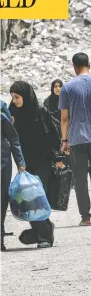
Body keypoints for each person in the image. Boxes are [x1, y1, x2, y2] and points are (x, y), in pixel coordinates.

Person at [9, 81, 65, 248]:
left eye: (17, 97)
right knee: (27, 198)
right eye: (12, 97)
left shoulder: (40, 112)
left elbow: (54, 136)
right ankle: (42, 229)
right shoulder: (12, 113)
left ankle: (44, 236)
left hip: (44, 160)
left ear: (26, 96)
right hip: (25, 163)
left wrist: (58, 158)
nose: (15, 101)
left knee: (37, 198)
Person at [59, 52, 91, 226]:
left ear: (74, 66)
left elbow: (65, 118)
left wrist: (64, 140)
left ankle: (85, 217)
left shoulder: (67, 87)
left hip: (77, 138)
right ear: (89, 63)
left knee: (80, 178)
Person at [1, 101, 26, 251]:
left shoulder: (1, 110)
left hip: (2, 163)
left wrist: (20, 163)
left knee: (2, 198)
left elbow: (13, 138)